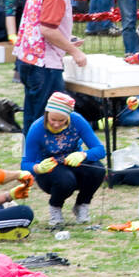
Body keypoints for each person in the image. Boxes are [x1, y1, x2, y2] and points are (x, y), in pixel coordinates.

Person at [14, 0, 93, 132]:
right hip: (44, 63)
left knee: (33, 114)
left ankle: (29, 156)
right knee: (48, 118)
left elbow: (41, 22)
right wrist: (74, 51)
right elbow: (48, 30)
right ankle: (40, 156)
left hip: (28, 56)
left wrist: (66, 38)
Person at [22, 91, 105, 228]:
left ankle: (82, 205)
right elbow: (25, 163)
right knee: (66, 181)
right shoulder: (37, 128)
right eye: (53, 120)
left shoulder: (77, 120)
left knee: (98, 170)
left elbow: (100, 150)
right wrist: (37, 168)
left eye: (61, 121)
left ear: (68, 117)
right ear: (47, 114)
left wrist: (84, 155)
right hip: (50, 170)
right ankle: (55, 208)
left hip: (73, 162)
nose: (56, 124)